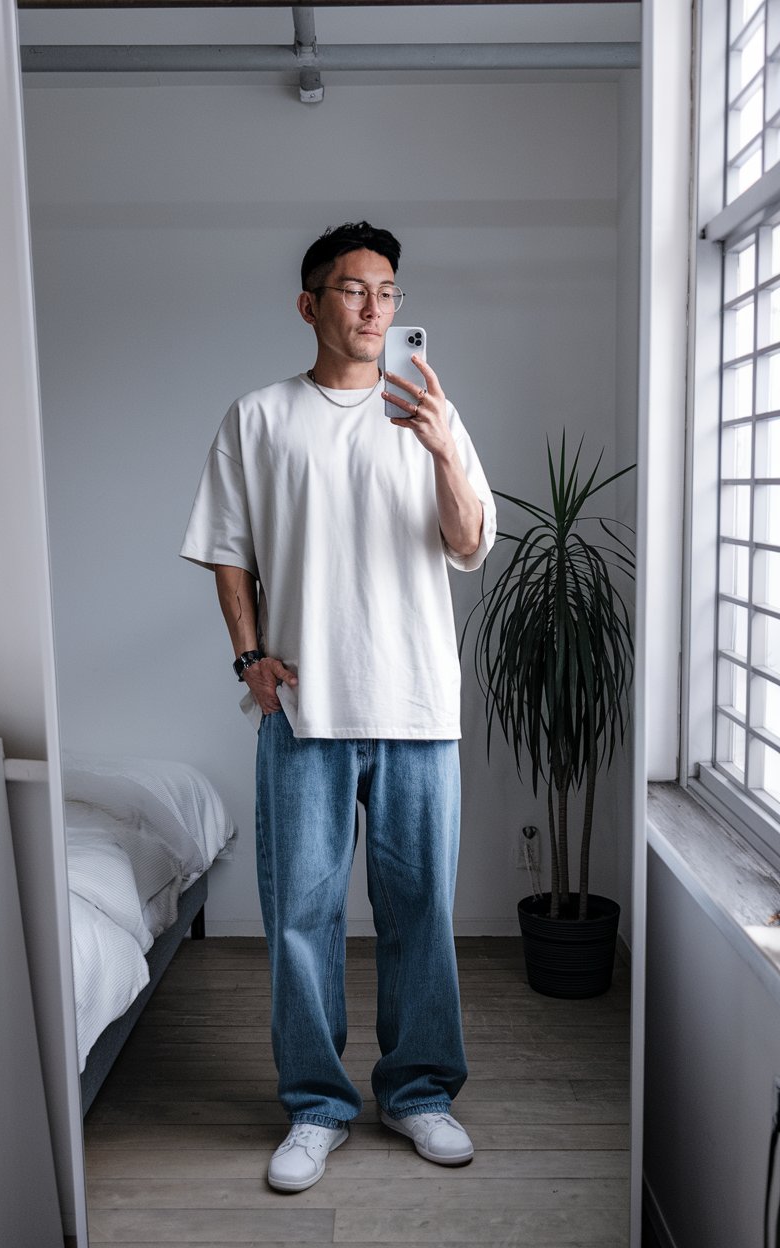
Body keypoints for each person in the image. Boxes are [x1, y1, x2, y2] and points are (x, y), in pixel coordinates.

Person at [180, 221, 496, 1193]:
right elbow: (227, 549)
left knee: (420, 912)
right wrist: (249, 659)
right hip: (304, 712)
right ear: (309, 303)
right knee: (301, 918)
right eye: (354, 289)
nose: (374, 308)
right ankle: (316, 1107)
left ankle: (418, 1093)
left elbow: (469, 542)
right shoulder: (259, 417)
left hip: (417, 707)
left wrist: (441, 449)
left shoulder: (431, 411)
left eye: (388, 292)